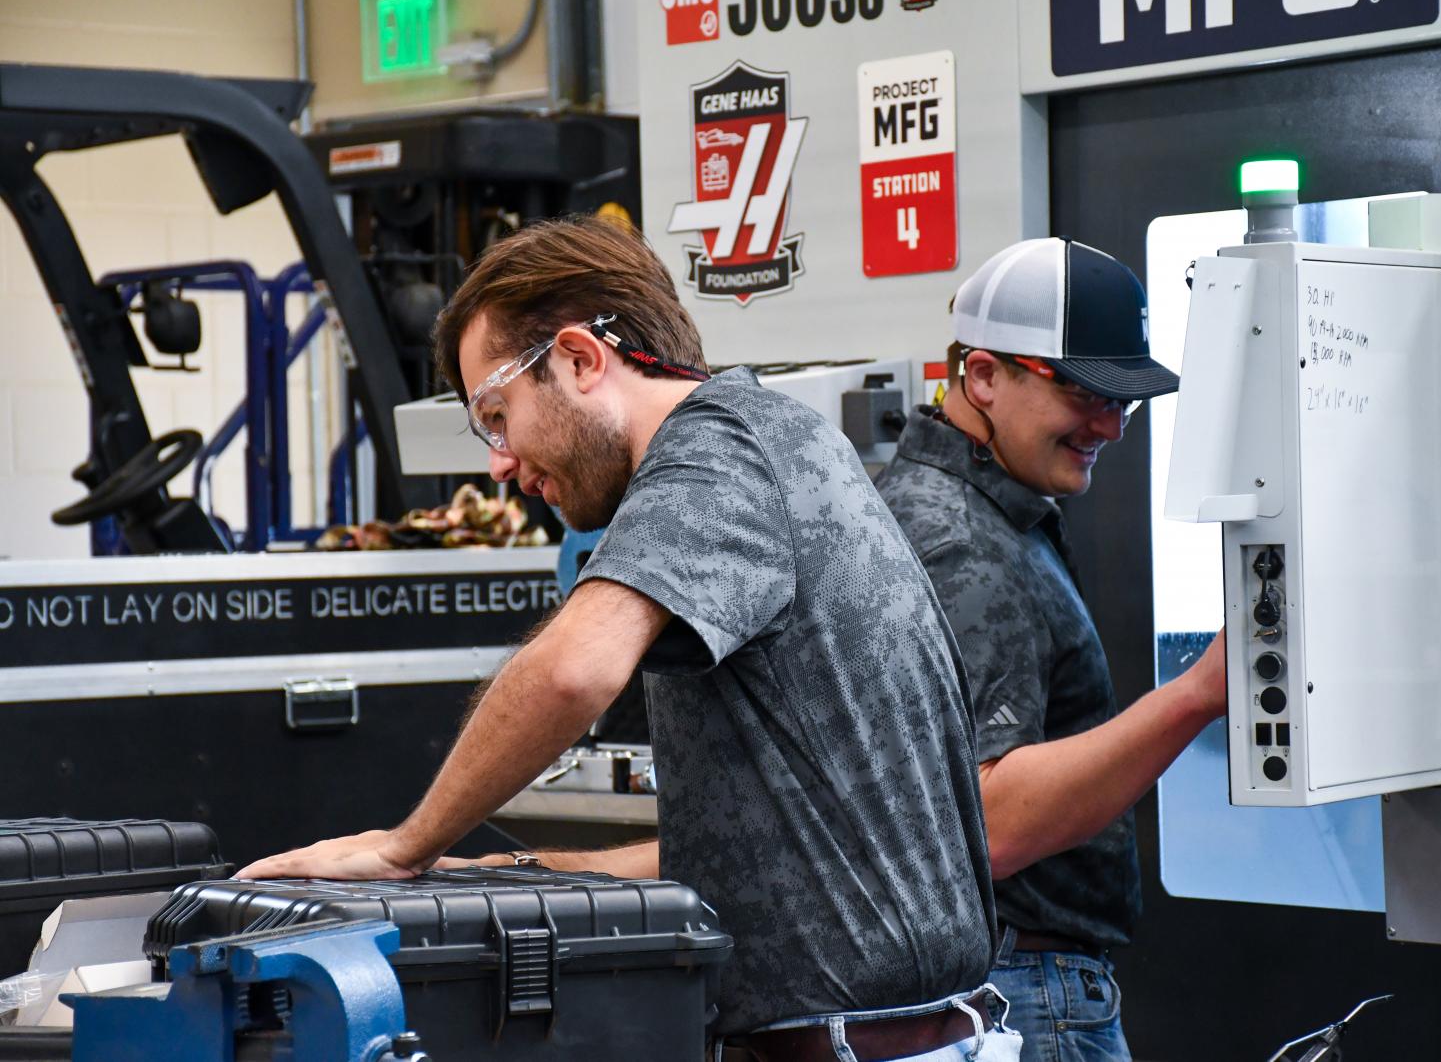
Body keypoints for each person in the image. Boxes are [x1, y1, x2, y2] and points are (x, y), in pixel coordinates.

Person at [239, 215, 1022, 1062]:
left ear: (579, 359)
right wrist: (501, 875)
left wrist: (404, 847)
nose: (499, 464)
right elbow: (759, 858)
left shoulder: (717, 447)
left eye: (498, 414)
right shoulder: (772, 442)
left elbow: (573, 670)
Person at [875, 238, 1228, 1062]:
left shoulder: (957, 509)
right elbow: (993, 817)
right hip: (1025, 989)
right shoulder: (960, 538)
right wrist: (1199, 692)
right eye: (1081, 391)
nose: (1109, 425)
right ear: (985, 376)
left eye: (1124, 402)